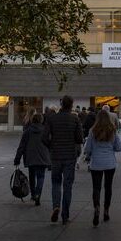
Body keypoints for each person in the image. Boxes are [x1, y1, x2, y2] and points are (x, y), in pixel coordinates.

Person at [43, 95, 84, 224]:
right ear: (71, 105)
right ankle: (65, 215)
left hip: (55, 156)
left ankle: (56, 206)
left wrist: (52, 146)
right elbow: (79, 139)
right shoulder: (74, 119)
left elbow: (44, 138)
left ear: (61, 104)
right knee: (67, 185)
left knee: (55, 183)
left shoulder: (52, 118)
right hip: (69, 156)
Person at [83, 110, 121, 226]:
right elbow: (119, 147)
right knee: (108, 187)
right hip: (110, 163)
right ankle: (106, 210)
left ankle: (97, 208)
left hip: (96, 163)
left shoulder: (92, 131)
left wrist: (90, 154)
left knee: (96, 187)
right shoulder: (112, 130)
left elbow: (88, 149)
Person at [15, 112, 50, 206]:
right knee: (41, 176)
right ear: (41, 120)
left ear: (32, 120)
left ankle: (33, 194)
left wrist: (17, 159)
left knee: (32, 176)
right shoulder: (45, 130)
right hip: (43, 157)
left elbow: (21, 146)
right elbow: (50, 144)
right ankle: (38, 194)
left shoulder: (28, 131)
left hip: (30, 157)